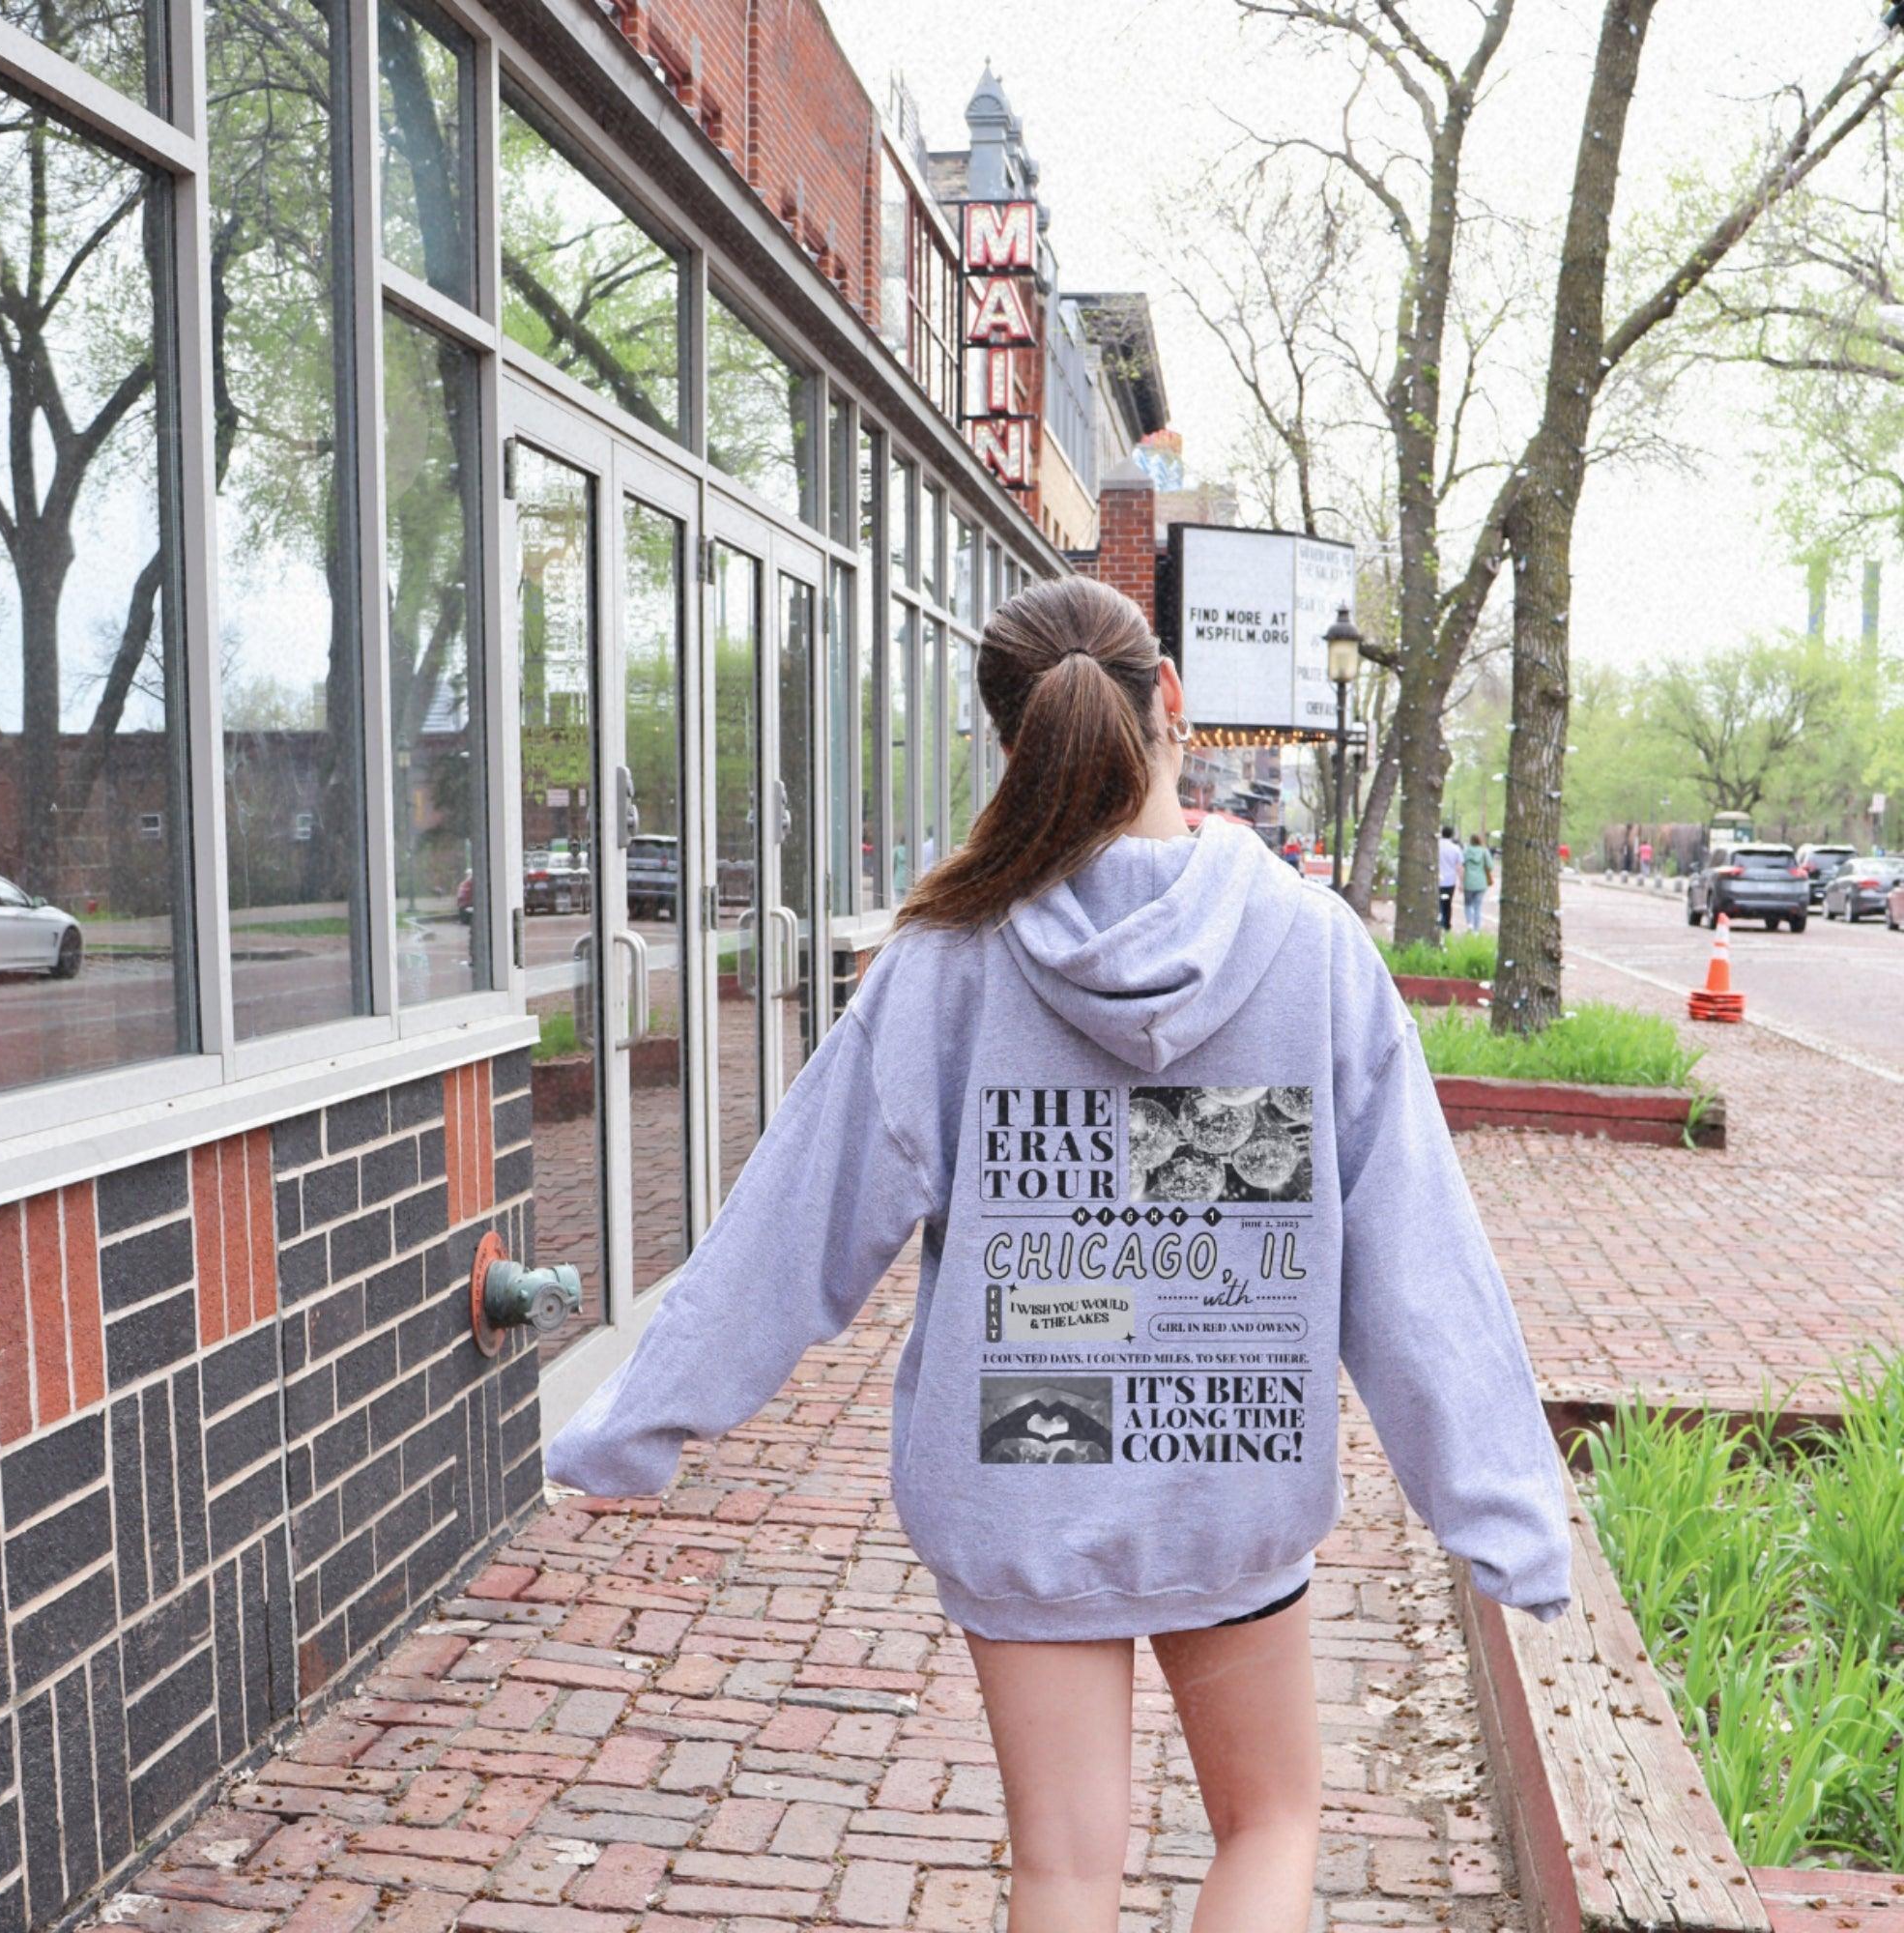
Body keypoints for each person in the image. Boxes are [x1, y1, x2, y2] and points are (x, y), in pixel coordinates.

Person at [548, 578, 1571, 1933]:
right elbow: (1416, 1262)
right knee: (1269, 1827)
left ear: (1010, 744)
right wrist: (1506, 1513)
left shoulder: (947, 960)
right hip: (1228, 1466)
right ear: (1171, 705)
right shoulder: (1311, 950)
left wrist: (630, 1423)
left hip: (1019, 1480)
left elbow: (792, 1223)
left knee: (1065, 1870)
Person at [1460, 832, 1495, 934]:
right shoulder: (1484, 852)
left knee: (1467, 904)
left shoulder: (1466, 851)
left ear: (1471, 841)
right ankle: (1476, 930)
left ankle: (1469, 924)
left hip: (1468, 882)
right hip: (1481, 883)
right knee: (1478, 906)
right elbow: (1490, 866)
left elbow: (1461, 864)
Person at [1437, 822, 1462, 931]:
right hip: (1449, 881)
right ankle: (1446, 924)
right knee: (1447, 903)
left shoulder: (1436, 846)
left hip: (1437, 879)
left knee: (1437, 902)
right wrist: (1461, 882)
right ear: (1451, 835)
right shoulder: (1455, 848)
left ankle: (1438, 922)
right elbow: (1459, 866)